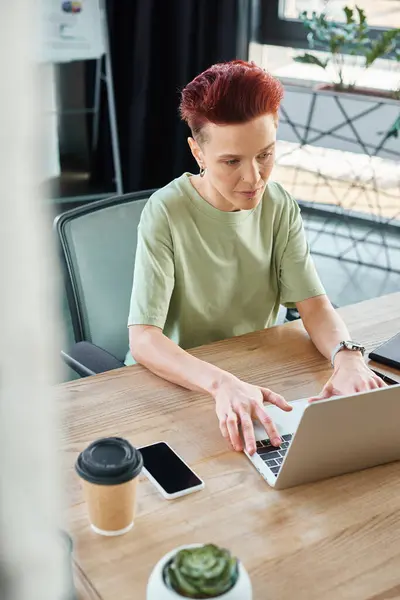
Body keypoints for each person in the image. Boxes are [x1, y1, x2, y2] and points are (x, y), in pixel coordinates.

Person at [126, 60, 385, 456]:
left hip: (257, 373)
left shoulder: (278, 204)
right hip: (181, 382)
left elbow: (314, 307)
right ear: (197, 150)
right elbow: (144, 339)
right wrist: (220, 384)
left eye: (265, 154)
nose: (254, 178)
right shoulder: (165, 212)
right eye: (231, 162)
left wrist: (348, 357)